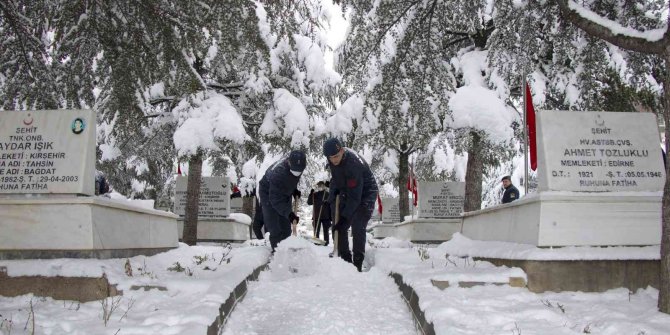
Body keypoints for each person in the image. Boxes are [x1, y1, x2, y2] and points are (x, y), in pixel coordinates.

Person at [323, 138, 378, 272]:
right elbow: (336, 179)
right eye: (331, 158)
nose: (334, 160)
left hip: (365, 193)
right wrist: (329, 200)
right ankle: (346, 261)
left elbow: (355, 197)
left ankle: (358, 262)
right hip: (348, 190)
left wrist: (345, 218)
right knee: (338, 226)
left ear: (342, 151)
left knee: (357, 224)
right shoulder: (333, 162)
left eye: (336, 156)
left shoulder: (353, 165)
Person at [258, 150, 307, 251]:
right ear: (289, 162)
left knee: (286, 227)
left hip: (282, 192)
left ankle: (288, 252)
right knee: (275, 226)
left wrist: (294, 190)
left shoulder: (298, 165)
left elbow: (290, 180)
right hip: (268, 193)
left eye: (299, 171)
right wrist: (289, 214)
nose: (297, 173)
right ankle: (278, 255)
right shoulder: (278, 174)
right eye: (295, 171)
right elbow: (275, 199)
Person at [307, 181, 332, 245]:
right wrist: (311, 194)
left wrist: (326, 202)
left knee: (325, 231)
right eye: (319, 186)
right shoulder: (315, 194)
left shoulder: (327, 194)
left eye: (321, 185)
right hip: (317, 215)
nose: (320, 187)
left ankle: (326, 242)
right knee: (316, 230)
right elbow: (309, 202)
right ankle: (316, 241)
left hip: (326, 216)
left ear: (324, 186)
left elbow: (331, 204)